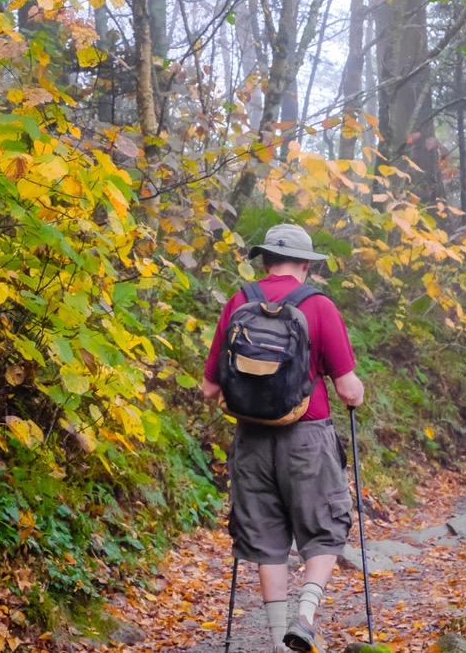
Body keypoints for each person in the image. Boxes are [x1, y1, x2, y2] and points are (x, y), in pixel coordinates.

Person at [201, 223, 365, 653]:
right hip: (307, 438)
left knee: (266, 539)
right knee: (326, 529)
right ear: (306, 265)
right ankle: (305, 617)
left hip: (251, 441)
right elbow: (348, 389)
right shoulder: (318, 306)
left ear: (265, 259)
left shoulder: (240, 301)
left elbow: (209, 388)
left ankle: (278, 642)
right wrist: (356, 392)